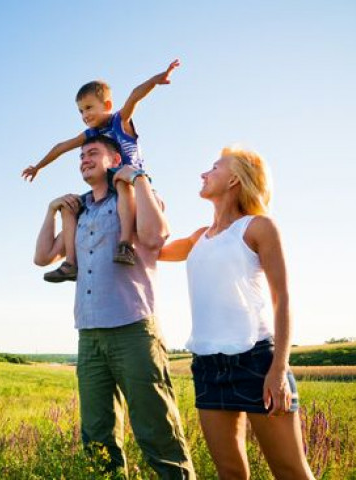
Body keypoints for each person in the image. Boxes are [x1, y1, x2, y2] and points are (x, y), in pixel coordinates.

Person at [33, 135, 195, 478]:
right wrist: (51, 211)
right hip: (89, 336)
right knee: (97, 437)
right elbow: (43, 256)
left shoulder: (134, 197)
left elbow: (155, 238)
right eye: (80, 157)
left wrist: (136, 179)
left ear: (114, 159)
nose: (83, 160)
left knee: (157, 430)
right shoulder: (79, 212)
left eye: (92, 153)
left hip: (133, 329)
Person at [159, 146, 315, 479]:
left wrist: (278, 370)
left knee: (290, 471)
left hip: (257, 362)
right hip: (207, 365)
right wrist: (139, 187)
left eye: (213, 167)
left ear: (234, 179)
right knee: (230, 472)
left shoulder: (259, 228)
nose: (204, 173)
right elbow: (150, 248)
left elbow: (282, 299)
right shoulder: (198, 237)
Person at [24, 59, 180, 282]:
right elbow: (61, 147)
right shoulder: (90, 134)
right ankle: (71, 263)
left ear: (106, 105)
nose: (84, 115)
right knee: (70, 207)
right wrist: (38, 166)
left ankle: (125, 243)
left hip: (130, 180)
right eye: (80, 111)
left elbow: (135, 95)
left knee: (120, 182)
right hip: (106, 187)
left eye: (89, 108)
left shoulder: (119, 121)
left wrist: (156, 80)